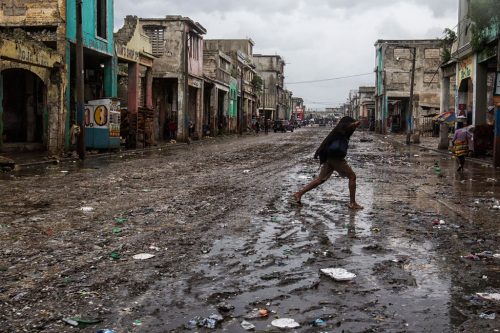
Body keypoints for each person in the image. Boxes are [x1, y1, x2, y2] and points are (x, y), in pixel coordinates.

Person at [292, 116, 363, 210]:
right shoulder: (341, 131)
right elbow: (346, 126)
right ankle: (352, 203)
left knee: (320, 180)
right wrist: (354, 124)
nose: (353, 128)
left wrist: (354, 125)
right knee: (352, 176)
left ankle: (299, 194)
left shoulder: (340, 132)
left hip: (330, 158)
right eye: (352, 125)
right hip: (335, 158)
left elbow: (347, 127)